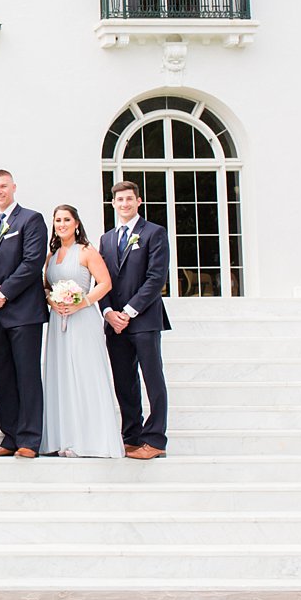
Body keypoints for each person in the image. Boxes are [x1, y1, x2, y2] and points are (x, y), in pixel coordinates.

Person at [40, 205, 124, 459]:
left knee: (85, 374)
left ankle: (90, 439)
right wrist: (51, 300)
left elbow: (105, 283)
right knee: (61, 375)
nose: (62, 224)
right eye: (57, 220)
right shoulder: (51, 256)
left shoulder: (87, 252)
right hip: (58, 320)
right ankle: (64, 437)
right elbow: (45, 285)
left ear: (76, 223)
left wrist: (82, 302)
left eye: (67, 219)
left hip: (83, 318)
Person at [0, 170, 49, 459]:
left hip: (23, 313)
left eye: (3, 186)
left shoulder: (31, 220)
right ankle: (10, 434)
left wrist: (3, 294)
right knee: (2, 377)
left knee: (27, 376)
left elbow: (32, 262)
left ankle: (30, 439)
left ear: (14, 187)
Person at [100, 180, 172, 460]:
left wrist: (128, 312)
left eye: (130, 199)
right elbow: (102, 280)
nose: (125, 204)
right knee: (124, 381)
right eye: (120, 200)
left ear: (138, 201)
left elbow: (156, 278)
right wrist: (108, 313)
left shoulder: (154, 232)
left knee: (152, 379)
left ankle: (155, 440)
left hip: (143, 320)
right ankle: (131, 435)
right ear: (113, 204)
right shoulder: (107, 239)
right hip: (114, 323)